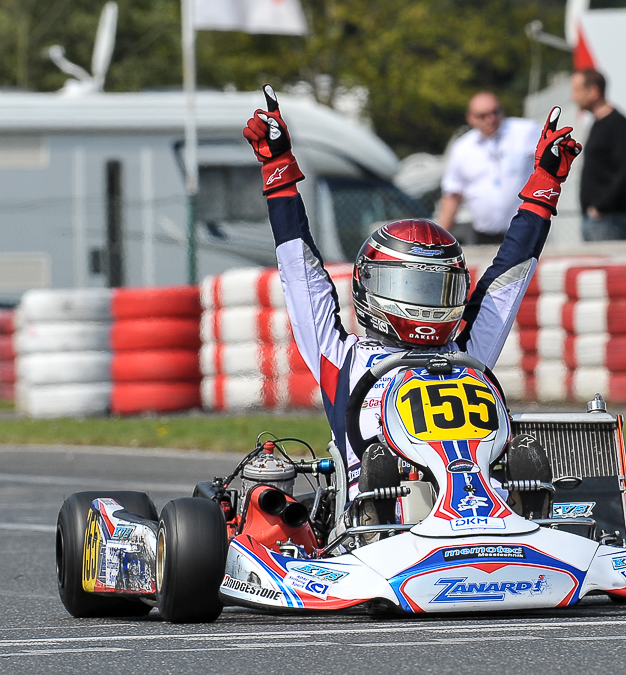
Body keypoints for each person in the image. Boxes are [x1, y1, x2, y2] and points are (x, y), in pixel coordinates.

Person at [242, 86, 580, 511]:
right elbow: (300, 269)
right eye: (411, 288)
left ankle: (529, 511)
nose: (424, 305)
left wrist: (544, 186)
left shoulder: (465, 353)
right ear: (372, 286)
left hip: (480, 510)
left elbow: (507, 277)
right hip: (378, 523)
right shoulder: (339, 357)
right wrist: (278, 170)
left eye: (438, 288)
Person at [436, 91, 540, 244]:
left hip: (525, 231)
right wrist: (438, 239)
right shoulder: (463, 148)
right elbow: (453, 194)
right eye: (483, 116)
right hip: (485, 236)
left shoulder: (525, 131)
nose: (491, 119)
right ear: (470, 118)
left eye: (495, 112)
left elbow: (551, 163)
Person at [570, 69, 626, 241]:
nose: (573, 97)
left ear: (593, 91)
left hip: (609, 220)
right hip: (597, 219)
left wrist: (601, 206)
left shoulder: (617, 124)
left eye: (577, 90)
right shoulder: (597, 123)